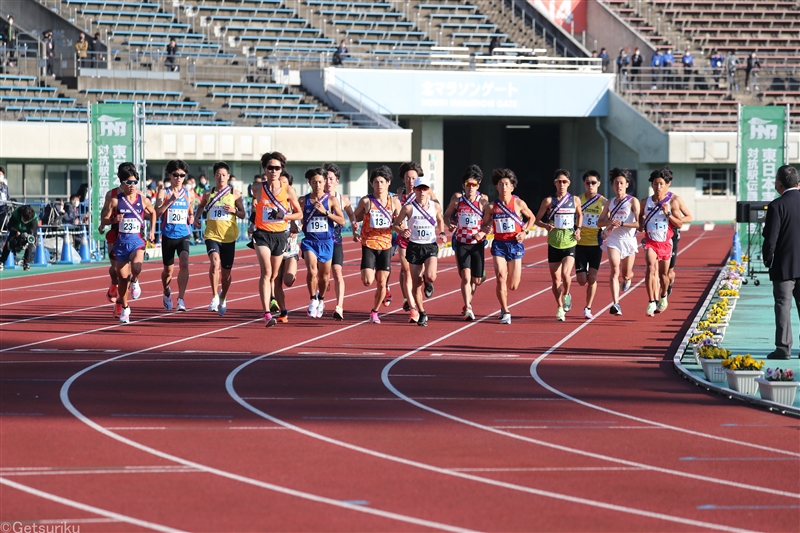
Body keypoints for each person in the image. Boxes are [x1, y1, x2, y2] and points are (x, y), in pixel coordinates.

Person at [101, 163, 156, 323]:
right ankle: (124, 306)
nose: (132, 186)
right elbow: (104, 217)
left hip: (136, 240)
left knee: (137, 267)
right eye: (128, 183)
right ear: (121, 182)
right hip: (118, 240)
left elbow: (152, 213)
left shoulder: (142, 198)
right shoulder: (114, 199)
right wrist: (111, 220)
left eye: (134, 182)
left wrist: (152, 231)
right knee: (120, 275)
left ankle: (135, 281)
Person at [252, 152, 302, 327]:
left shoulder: (288, 190)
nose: (273, 171)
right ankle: (266, 313)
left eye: (277, 168)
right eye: (270, 168)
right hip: (262, 234)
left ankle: (271, 303)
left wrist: (286, 216)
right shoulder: (257, 188)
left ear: (281, 170)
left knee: (273, 275)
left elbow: (299, 213)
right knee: (266, 272)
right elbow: (256, 206)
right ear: (265, 169)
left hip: (280, 236)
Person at [481, 168, 535, 324]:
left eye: (506, 184)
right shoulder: (491, 207)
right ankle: (505, 310)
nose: (503, 187)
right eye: (500, 184)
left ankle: (504, 306)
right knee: (500, 277)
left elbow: (531, 218)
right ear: (496, 187)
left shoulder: (518, 203)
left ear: (512, 187)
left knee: (513, 285)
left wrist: (524, 232)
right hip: (499, 245)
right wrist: (488, 227)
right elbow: (484, 225)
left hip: (515, 244)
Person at [393, 175, 446, 326]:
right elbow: (395, 225)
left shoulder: (435, 206)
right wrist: (402, 232)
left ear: (429, 190)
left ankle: (429, 283)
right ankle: (422, 312)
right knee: (416, 283)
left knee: (430, 276)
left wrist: (441, 232)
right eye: (419, 189)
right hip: (414, 247)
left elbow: (440, 220)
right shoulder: (408, 208)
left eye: (425, 189)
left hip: (429, 246)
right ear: (414, 190)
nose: (422, 192)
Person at [194, 161, 246, 317]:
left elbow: (243, 214)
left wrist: (234, 211)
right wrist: (197, 217)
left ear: (228, 176)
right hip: (212, 235)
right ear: (214, 177)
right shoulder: (208, 193)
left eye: (224, 175)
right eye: (218, 175)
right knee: (214, 262)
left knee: (226, 274)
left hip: (228, 238)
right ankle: (214, 296)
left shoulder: (235, 194)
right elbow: (202, 206)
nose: (221, 177)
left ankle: (223, 296)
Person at [352, 165, 401, 324]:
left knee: (381, 282)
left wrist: (401, 230)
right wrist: (355, 227)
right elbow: (356, 217)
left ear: (388, 183)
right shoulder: (366, 201)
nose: (379, 185)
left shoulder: (394, 202)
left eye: (382, 181)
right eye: (376, 182)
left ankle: (374, 311)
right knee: (367, 281)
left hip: (386, 245)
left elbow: (400, 223)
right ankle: (383, 289)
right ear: (371, 184)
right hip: (369, 244)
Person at [762, 165, 800, 360]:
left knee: (783, 306)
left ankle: (784, 348)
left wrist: (767, 259)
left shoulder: (777, 206)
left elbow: (771, 239)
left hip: (785, 267)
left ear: (779, 183)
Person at [535, 169, 582, 321]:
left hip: (569, 241)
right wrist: (545, 226)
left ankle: (567, 294)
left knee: (566, 275)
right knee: (555, 280)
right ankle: (560, 307)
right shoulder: (548, 201)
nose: (561, 184)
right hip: (554, 243)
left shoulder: (574, 200)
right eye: (559, 181)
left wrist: (578, 229)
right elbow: (537, 220)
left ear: (569, 183)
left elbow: (580, 215)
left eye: (564, 182)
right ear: (554, 183)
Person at [444, 165, 489, 321]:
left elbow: (488, 223)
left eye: (474, 185)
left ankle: (470, 297)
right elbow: (446, 215)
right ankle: (468, 306)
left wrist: (483, 232)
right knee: (465, 276)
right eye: (468, 185)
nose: (471, 188)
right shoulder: (457, 199)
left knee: (476, 280)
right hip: (461, 242)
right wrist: (449, 224)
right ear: (463, 185)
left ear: (479, 185)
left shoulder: (483, 200)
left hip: (477, 243)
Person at [300, 167, 344, 319]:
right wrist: (294, 226)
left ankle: (321, 298)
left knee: (324, 277)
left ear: (324, 182)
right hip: (309, 241)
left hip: (326, 242)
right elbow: (297, 218)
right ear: (310, 183)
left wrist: (326, 212)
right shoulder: (303, 200)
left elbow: (342, 220)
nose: (317, 185)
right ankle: (312, 299)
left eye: (320, 182)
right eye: (314, 182)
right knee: (312, 271)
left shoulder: (331, 200)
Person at [639, 166, 683, 317]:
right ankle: (651, 300)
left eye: (661, 184)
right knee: (651, 267)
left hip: (665, 243)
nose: (658, 187)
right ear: (651, 185)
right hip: (651, 242)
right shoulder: (645, 202)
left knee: (664, 276)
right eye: (655, 184)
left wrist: (668, 213)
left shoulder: (672, 202)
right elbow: (639, 222)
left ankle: (663, 295)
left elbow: (679, 224)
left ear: (666, 185)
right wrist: (642, 222)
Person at [395, 162, 435, 322]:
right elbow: (395, 215)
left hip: (423, 239)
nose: (411, 181)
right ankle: (412, 306)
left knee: (423, 273)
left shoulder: (427, 192)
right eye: (407, 178)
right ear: (403, 179)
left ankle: (425, 283)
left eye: (414, 178)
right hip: (405, 237)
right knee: (405, 270)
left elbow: (436, 209)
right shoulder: (399, 194)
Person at [598, 168, 640, 316]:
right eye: (616, 183)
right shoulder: (610, 202)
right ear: (612, 185)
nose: (619, 186)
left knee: (625, 274)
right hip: (614, 240)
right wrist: (609, 224)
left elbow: (639, 224)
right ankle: (616, 303)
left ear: (627, 184)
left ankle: (629, 277)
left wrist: (622, 224)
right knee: (615, 269)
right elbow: (599, 222)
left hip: (628, 240)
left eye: (621, 183)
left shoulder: (633, 201)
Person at [155, 160, 193, 312]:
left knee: (184, 263)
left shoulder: (187, 193)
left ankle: (181, 299)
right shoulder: (164, 192)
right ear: (170, 175)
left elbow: (190, 210)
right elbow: (157, 213)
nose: (179, 178)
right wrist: (169, 201)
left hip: (183, 234)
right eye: (176, 175)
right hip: (168, 235)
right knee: (168, 271)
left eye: (182, 175)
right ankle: (166, 290)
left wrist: (191, 217)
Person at [323, 162, 356, 321]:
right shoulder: (316, 198)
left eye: (331, 179)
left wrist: (355, 227)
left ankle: (339, 307)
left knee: (337, 271)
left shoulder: (342, 199)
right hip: (319, 239)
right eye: (325, 178)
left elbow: (351, 215)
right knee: (320, 275)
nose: (328, 182)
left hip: (335, 237)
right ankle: (319, 298)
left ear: (337, 181)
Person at [574, 171, 604, 319]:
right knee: (581, 281)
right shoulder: (578, 200)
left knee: (592, 278)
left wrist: (606, 230)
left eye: (593, 182)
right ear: (584, 184)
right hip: (580, 244)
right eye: (587, 182)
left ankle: (588, 307)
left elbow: (609, 220)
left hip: (595, 245)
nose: (590, 185)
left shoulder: (604, 202)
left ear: (598, 184)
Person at [271, 170, 300, 324]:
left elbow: (299, 221)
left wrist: (294, 224)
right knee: (276, 281)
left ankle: (293, 272)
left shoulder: (293, 203)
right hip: (275, 248)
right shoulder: (270, 201)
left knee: (288, 280)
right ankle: (283, 311)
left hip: (290, 250)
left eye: (284, 183)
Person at [666, 184, 693, 297]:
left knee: (669, 272)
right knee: (656, 269)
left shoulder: (675, 199)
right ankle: (658, 297)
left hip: (672, 236)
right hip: (657, 237)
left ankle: (669, 283)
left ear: (668, 183)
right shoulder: (652, 200)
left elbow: (689, 217)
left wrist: (676, 220)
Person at [98, 184, 122, 303]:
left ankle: (121, 304)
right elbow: (105, 210)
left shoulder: (138, 195)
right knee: (115, 268)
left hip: (132, 235)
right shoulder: (111, 194)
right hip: (115, 232)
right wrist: (103, 224)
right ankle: (114, 283)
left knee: (127, 271)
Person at [0, 204, 37, 271]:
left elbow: (34, 231)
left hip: (27, 232)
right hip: (16, 231)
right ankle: (1, 262)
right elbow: (9, 226)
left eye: (27, 220)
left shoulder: (34, 217)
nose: (25, 221)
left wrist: (31, 235)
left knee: (30, 243)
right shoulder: (16, 214)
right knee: (9, 243)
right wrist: (15, 231)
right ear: (21, 215)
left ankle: (26, 263)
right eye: (24, 219)